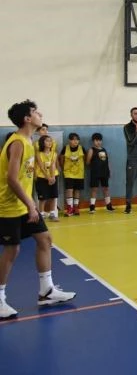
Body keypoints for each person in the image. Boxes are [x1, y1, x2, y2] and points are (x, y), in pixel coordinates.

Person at [0, 100, 76, 320]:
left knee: (45, 239)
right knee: (12, 250)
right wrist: (31, 204)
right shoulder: (18, 143)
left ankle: (46, 291)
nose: (39, 114)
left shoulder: (29, 141)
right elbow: (11, 178)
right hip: (9, 206)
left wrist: (29, 204)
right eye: (35, 112)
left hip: (23, 204)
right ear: (27, 118)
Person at [86, 133, 113, 213]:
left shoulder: (104, 150)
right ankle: (92, 207)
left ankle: (109, 206)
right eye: (96, 140)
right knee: (94, 189)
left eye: (100, 140)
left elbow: (107, 161)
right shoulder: (91, 150)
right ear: (93, 141)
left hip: (104, 172)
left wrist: (109, 170)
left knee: (106, 188)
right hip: (95, 173)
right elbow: (87, 162)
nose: (98, 142)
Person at [34, 135, 59, 221]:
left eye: (50, 141)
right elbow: (41, 167)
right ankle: (42, 214)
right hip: (42, 177)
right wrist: (48, 178)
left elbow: (53, 165)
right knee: (43, 197)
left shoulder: (54, 153)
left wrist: (53, 177)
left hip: (53, 176)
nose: (49, 142)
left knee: (53, 196)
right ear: (42, 143)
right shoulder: (38, 154)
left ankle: (52, 214)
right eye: (47, 141)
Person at [59, 133, 85, 216]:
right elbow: (61, 159)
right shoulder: (65, 148)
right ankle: (70, 208)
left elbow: (85, 159)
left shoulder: (81, 148)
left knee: (77, 190)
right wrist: (64, 168)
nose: (75, 141)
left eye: (77, 139)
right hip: (68, 173)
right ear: (69, 140)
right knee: (69, 190)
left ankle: (76, 207)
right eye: (73, 139)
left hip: (79, 173)